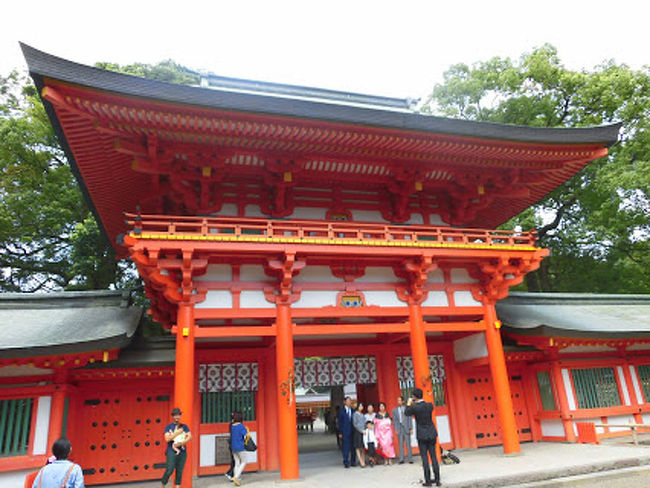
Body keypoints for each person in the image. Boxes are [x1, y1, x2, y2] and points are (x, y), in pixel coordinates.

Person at [405, 388, 440, 487]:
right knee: (433, 457)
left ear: (414, 397)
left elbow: (406, 412)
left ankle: (428, 481)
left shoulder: (415, 407)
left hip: (422, 435)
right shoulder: (429, 405)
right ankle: (437, 480)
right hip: (431, 433)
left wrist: (409, 403)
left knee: (425, 458)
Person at [162, 407, 192, 488]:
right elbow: (167, 439)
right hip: (171, 450)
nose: (177, 417)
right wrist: (177, 433)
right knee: (170, 469)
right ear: (172, 416)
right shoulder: (169, 427)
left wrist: (182, 443)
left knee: (179, 470)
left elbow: (189, 436)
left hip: (182, 450)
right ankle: (163, 484)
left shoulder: (184, 426)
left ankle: (177, 487)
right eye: (175, 415)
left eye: (178, 415)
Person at [392, 395, 414, 464]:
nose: (398, 401)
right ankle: (401, 459)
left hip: (406, 427)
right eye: (397, 400)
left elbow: (409, 418)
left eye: (399, 400)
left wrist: (411, 428)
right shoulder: (395, 410)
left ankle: (410, 459)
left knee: (408, 444)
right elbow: (395, 420)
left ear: (403, 401)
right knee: (400, 444)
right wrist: (396, 428)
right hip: (400, 427)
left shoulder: (406, 408)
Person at [337, 396, 356, 468]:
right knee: (346, 447)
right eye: (348, 401)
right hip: (345, 432)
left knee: (353, 447)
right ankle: (346, 461)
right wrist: (340, 432)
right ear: (344, 402)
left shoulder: (353, 411)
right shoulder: (341, 411)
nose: (349, 402)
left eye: (350, 401)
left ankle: (353, 461)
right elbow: (340, 423)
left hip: (353, 431)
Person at [230, 411, 248, 486]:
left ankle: (235, 479)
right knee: (244, 461)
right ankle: (236, 477)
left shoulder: (232, 426)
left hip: (233, 446)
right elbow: (246, 435)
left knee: (237, 462)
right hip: (240, 446)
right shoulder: (240, 426)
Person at [352, 402, 367, 467]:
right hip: (358, 432)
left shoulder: (363, 415)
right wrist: (361, 430)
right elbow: (355, 424)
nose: (361, 407)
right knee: (358, 447)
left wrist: (365, 429)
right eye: (360, 406)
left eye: (362, 406)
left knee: (363, 447)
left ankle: (363, 459)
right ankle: (360, 460)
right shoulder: (355, 414)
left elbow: (365, 423)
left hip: (364, 432)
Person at [225, 411, 236, 482]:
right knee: (235, 460)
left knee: (234, 460)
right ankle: (230, 473)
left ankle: (233, 475)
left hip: (232, 443)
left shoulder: (231, 424)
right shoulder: (234, 425)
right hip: (234, 444)